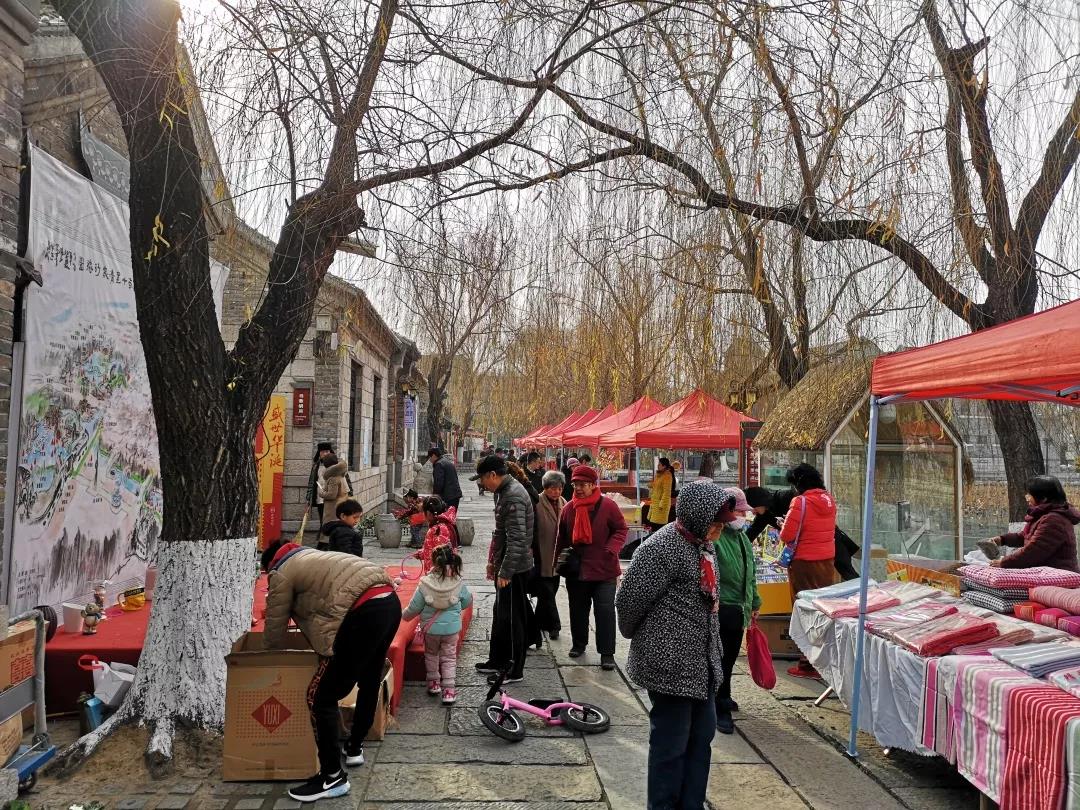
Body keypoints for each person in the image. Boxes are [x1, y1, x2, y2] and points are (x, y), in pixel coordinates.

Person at [615, 480, 730, 810]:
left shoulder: (704, 546)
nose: (719, 529)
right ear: (696, 515)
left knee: (701, 740)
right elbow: (629, 603)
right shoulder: (660, 548)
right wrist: (650, 641)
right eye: (715, 522)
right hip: (670, 666)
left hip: (703, 664)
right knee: (671, 746)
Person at [262, 540, 400, 803]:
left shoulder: (281, 571)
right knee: (370, 677)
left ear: (269, 563)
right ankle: (355, 746)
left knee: (321, 696)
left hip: (364, 612)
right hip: (389, 602)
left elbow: (274, 627)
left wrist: (266, 654)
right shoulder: (311, 555)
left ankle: (332, 776)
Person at [555, 464, 627, 671]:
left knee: (605, 612)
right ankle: (579, 644)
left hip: (604, 569)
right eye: (575, 484)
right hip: (577, 570)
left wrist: (611, 548)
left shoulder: (608, 506)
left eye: (583, 484)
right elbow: (560, 539)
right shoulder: (569, 509)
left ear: (593, 485)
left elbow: (621, 529)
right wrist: (555, 565)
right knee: (577, 609)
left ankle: (607, 653)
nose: (578, 488)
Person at [471, 455, 535, 684]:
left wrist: (506, 572)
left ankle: (513, 669)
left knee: (512, 620)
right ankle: (496, 660)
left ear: (493, 476)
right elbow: (499, 532)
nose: (481, 484)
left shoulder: (514, 496)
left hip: (515, 568)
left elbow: (518, 540)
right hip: (506, 563)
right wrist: (493, 561)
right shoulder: (502, 493)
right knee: (500, 615)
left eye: (482, 479)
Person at [780, 463, 836, 679]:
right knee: (821, 608)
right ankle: (822, 659)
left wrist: (785, 522)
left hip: (804, 562)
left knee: (803, 608)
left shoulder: (800, 502)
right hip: (826, 560)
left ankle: (806, 663)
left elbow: (787, 536)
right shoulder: (829, 500)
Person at [712, 487, 760, 735]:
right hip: (721, 607)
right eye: (741, 511)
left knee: (729, 658)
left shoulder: (741, 536)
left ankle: (724, 694)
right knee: (721, 658)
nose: (744, 516)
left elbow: (749, 571)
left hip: (739, 607)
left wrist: (754, 602)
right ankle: (719, 707)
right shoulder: (716, 536)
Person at [402, 543, 473, 706]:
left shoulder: (425, 583)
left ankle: (433, 684)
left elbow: (414, 607)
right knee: (449, 658)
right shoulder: (458, 582)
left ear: (434, 562)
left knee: (431, 655)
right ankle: (449, 691)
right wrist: (455, 610)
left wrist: (403, 617)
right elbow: (467, 600)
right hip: (451, 630)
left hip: (431, 629)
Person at [746, 485, 858, 580]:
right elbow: (751, 533)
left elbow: (808, 515)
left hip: (826, 538)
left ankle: (866, 599)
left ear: (759, 502)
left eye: (753, 508)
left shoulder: (786, 498)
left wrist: (788, 525)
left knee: (845, 570)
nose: (753, 512)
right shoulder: (764, 514)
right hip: (808, 550)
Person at [985, 475, 1080, 572]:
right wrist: (1002, 540)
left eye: (1030, 495)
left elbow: (1034, 552)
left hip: (1058, 574)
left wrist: (1004, 562)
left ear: (1044, 498)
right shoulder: (1044, 515)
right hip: (1045, 570)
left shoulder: (1054, 520)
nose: (1027, 498)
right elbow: (1025, 537)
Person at [533, 469, 566, 641]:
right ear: (545, 487)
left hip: (558, 556)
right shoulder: (537, 502)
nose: (556, 492)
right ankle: (555, 625)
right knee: (546, 591)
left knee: (549, 593)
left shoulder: (564, 502)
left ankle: (537, 625)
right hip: (541, 554)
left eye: (559, 488)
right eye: (553, 488)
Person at [414, 495, 459, 573]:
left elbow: (442, 554)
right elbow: (433, 548)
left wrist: (432, 572)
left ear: (428, 513)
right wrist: (422, 553)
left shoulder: (438, 529)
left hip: (438, 574)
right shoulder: (442, 525)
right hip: (440, 572)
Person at [318, 455, 351, 523]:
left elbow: (331, 495)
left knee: (331, 529)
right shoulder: (341, 474)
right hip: (340, 506)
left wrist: (321, 493)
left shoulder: (333, 478)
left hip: (333, 509)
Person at [646, 457, 676, 531]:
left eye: (659, 464)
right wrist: (650, 483)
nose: (658, 466)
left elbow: (667, 492)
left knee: (658, 526)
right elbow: (654, 485)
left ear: (664, 466)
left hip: (661, 506)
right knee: (652, 524)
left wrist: (662, 505)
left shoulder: (667, 476)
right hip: (655, 504)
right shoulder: (658, 475)